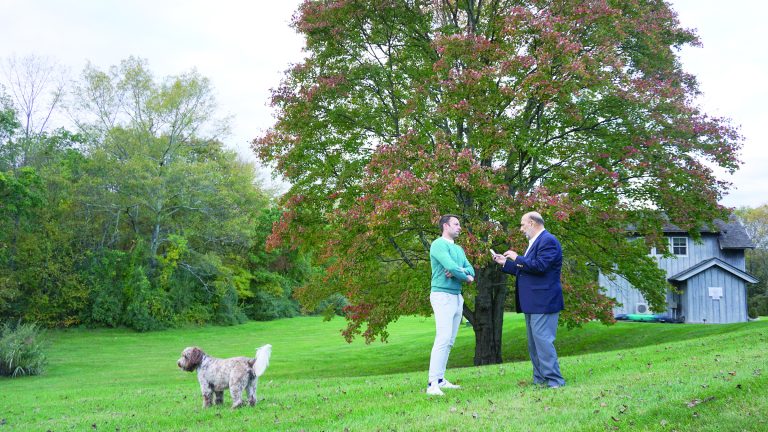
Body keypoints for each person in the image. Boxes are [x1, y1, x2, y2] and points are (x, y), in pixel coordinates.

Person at [493, 211, 565, 388]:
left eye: (522, 224)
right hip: (532, 302)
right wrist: (506, 263)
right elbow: (527, 270)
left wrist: (517, 257)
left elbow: (540, 267)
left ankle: (554, 381)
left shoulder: (548, 240)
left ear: (532, 223)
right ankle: (540, 379)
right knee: (535, 344)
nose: (521, 228)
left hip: (544, 301)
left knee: (543, 342)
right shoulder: (535, 243)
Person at [427, 214, 475, 396]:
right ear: (445, 226)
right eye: (456, 224)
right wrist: (463, 274)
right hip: (442, 295)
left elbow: (469, 270)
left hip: (456, 296)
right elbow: (451, 267)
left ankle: (441, 379)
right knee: (443, 337)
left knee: (450, 341)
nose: (459, 227)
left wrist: (462, 273)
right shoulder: (438, 245)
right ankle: (432, 384)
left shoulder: (459, 249)